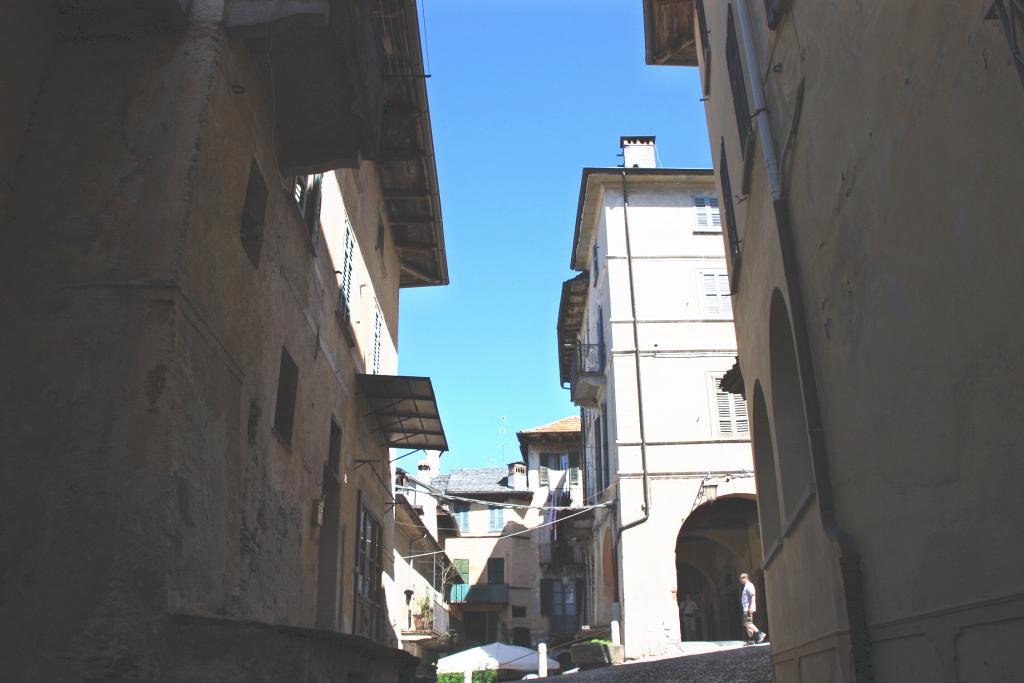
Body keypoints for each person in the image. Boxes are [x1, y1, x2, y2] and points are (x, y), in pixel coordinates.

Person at [739, 573, 767, 644]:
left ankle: (760, 633)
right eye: (740, 578)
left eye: (742, 578)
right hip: (745, 608)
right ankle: (751, 640)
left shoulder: (749, 585)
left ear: (746, 578)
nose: (741, 580)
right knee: (747, 625)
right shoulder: (746, 586)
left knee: (748, 623)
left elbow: (753, 595)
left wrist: (752, 606)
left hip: (748, 608)